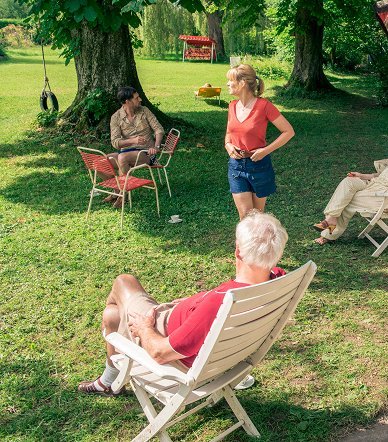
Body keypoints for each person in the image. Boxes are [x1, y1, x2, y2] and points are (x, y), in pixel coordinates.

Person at [77, 211, 288, 396]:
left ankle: (109, 377)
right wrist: (198, 301)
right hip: (218, 349)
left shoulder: (220, 304)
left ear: (238, 251)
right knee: (112, 316)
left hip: (164, 334)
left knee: (124, 282)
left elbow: (160, 353)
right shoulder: (277, 281)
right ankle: (109, 379)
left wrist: (144, 328)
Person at [313, 132, 388, 245]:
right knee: (349, 182)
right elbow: (379, 176)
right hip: (374, 186)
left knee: (348, 199)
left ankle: (328, 233)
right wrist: (361, 175)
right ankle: (331, 218)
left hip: (387, 199)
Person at [224, 64, 295, 219]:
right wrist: (228, 145)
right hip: (236, 167)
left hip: (259, 166)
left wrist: (265, 150)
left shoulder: (264, 106)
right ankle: (241, 244)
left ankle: (256, 243)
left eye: (231, 80)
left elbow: (288, 131)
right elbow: (229, 134)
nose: (227, 84)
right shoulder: (232, 106)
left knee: (257, 217)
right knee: (245, 216)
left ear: (242, 83)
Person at [105, 86, 164, 207]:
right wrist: (133, 140)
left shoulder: (144, 110)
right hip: (126, 152)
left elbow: (159, 129)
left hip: (147, 153)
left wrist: (156, 147)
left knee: (123, 158)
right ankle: (116, 190)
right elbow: (115, 142)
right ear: (127, 101)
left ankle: (123, 195)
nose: (140, 100)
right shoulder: (116, 117)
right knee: (101, 162)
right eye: (137, 98)